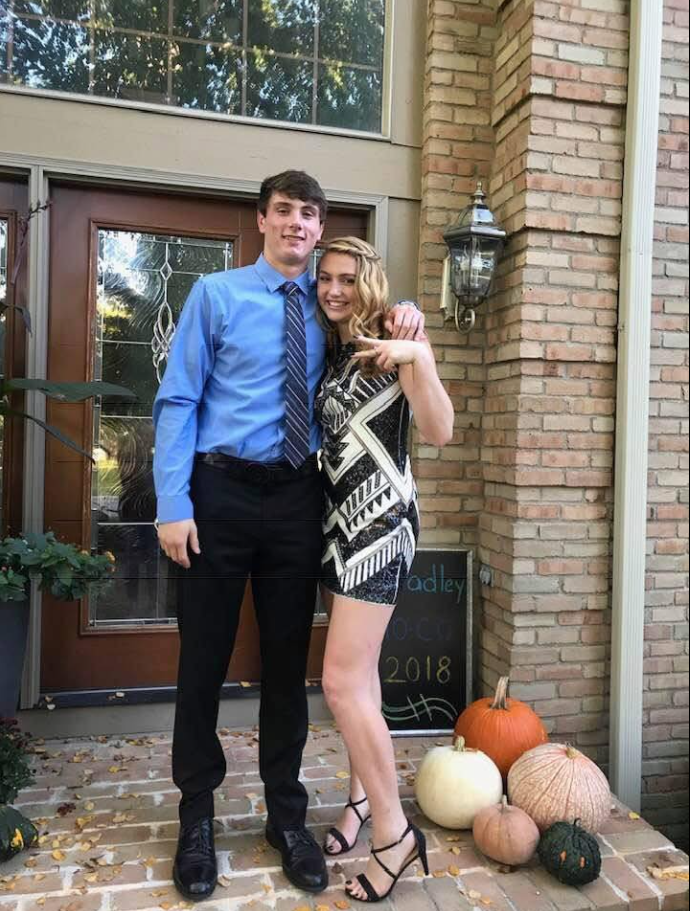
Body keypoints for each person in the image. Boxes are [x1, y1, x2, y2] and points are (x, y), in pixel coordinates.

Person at [152, 171, 425, 902]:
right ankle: (197, 816)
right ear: (263, 220)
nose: (297, 224)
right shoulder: (217, 295)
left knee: (285, 664)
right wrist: (173, 501)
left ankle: (286, 815)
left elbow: (385, 313)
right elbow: (178, 396)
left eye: (310, 213)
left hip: (299, 499)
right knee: (202, 658)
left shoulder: (330, 304)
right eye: (285, 211)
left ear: (318, 225)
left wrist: (408, 313)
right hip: (219, 493)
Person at [314, 237, 454, 903]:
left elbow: (440, 429)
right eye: (326, 279)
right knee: (361, 679)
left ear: (368, 280)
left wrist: (417, 354)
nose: (334, 289)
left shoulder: (394, 340)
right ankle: (361, 802)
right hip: (339, 532)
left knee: (340, 682)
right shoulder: (334, 349)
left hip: (381, 528)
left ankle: (395, 833)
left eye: (347, 279)